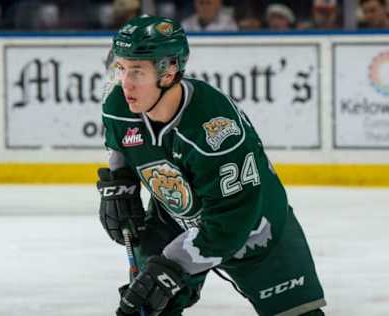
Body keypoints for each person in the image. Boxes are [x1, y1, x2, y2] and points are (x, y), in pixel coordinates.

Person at [98, 15, 326, 316]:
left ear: (168, 72)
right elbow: (123, 144)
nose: (125, 82)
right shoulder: (119, 104)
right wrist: (120, 182)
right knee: (149, 303)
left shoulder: (214, 130)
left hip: (255, 226)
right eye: (122, 68)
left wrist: (170, 266)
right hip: (175, 216)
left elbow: (228, 224)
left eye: (137, 72)